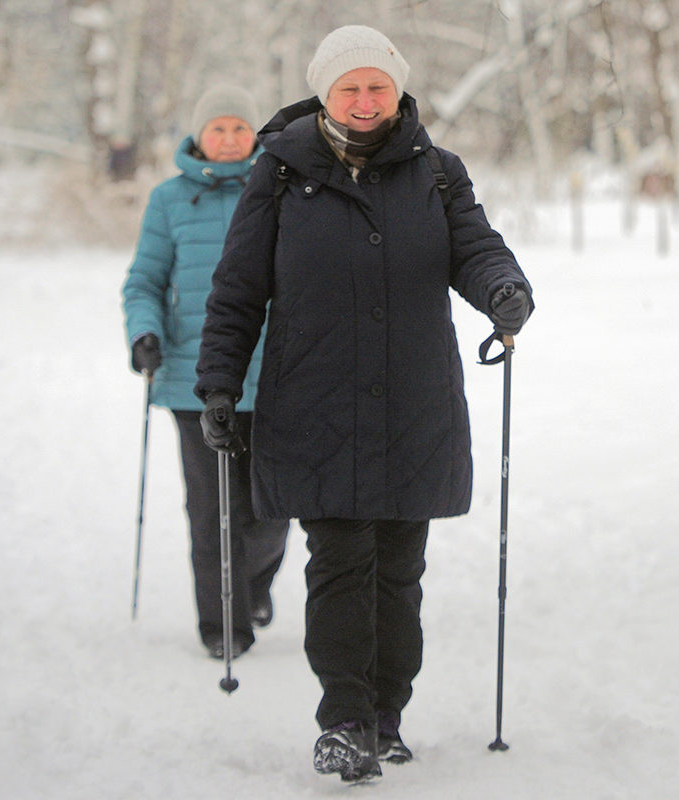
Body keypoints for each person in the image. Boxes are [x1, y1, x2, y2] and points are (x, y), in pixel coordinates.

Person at [194, 25, 534, 783]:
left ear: (397, 89)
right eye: (350, 87)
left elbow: (476, 248)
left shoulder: (437, 173)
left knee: (398, 573)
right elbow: (239, 288)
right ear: (325, 91)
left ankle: (387, 715)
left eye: (377, 85)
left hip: (414, 403)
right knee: (340, 562)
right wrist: (219, 382)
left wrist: (504, 291)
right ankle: (344, 720)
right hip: (316, 403)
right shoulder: (279, 175)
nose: (365, 99)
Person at [122, 84, 289, 661]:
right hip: (193, 381)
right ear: (198, 135)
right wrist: (145, 334)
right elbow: (144, 280)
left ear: (254, 135)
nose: (228, 139)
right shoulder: (169, 200)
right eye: (216, 128)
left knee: (271, 510)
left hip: (274, 376)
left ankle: (254, 584)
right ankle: (224, 624)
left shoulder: (281, 190)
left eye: (239, 128)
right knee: (212, 509)